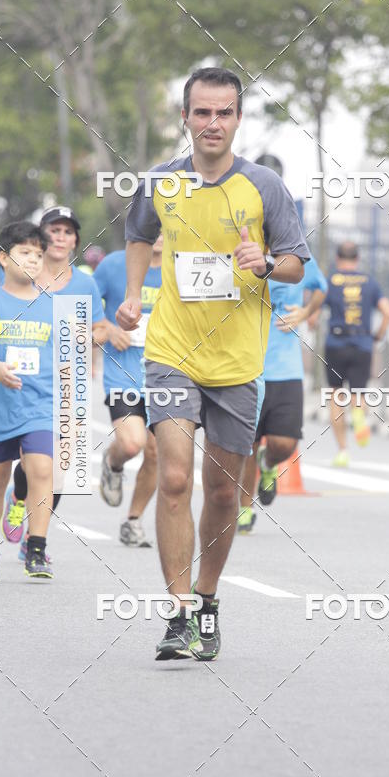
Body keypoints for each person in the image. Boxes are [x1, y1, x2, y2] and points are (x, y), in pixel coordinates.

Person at [117, 66, 309, 661]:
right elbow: (138, 236)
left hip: (237, 364)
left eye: (224, 112)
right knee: (173, 477)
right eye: (202, 112)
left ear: (239, 119)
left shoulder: (264, 188)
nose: (213, 123)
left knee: (223, 495)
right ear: (185, 118)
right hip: (172, 351)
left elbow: (297, 263)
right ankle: (176, 616)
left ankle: (207, 603)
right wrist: (131, 296)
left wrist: (265, 263)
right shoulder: (160, 183)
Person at [1, 206, 107, 558]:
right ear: (40, 237)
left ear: (76, 240)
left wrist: (91, 338)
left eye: (67, 232)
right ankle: (18, 498)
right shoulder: (23, 276)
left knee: (60, 468)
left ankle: (35, 540)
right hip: (22, 378)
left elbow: (101, 327)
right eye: (54, 230)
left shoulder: (85, 283)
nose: (60, 237)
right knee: (31, 459)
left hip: (68, 383)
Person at [0, 222, 54, 581]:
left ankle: (37, 549)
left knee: (42, 470)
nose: (33, 260)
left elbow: (70, 357)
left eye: (38, 254)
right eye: (24, 252)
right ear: (4, 258)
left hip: (41, 406)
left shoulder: (53, 306)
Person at [237, 252, 327, 533]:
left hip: (286, 368)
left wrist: (304, 313)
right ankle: (244, 508)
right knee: (247, 444)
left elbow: (321, 289)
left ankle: (269, 463)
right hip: (246, 366)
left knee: (284, 444)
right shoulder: (242, 253)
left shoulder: (299, 258)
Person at [93, 235, 162, 547]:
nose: (160, 232)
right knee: (134, 443)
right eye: (154, 225)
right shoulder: (112, 266)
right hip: (124, 375)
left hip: (169, 377)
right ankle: (114, 462)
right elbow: (85, 310)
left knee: (157, 452)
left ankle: (133, 520)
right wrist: (108, 329)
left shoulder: (183, 267)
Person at [324, 242, 389, 467]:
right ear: (358, 258)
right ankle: (359, 415)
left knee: (335, 396)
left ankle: (343, 451)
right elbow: (388, 312)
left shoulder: (331, 280)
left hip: (335, 343)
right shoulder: (369, 282)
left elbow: (314, 309)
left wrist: (312, 320)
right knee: (359, 394)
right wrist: (378, 335)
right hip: (362, 343)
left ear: (337, 258)